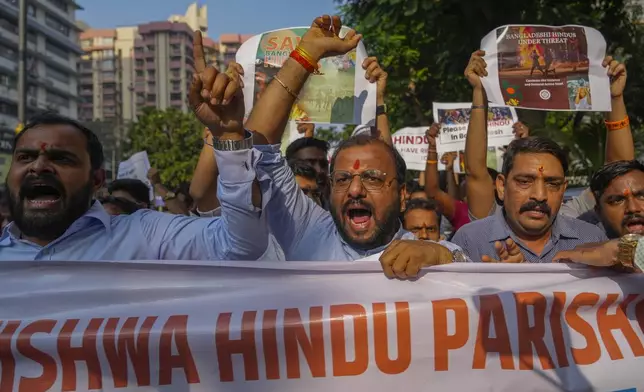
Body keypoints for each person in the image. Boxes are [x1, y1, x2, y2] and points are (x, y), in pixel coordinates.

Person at [0, 38, 268, 261]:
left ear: (96, 180)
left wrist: (230, 136)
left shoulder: (145, 237)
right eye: (25, 157)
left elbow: (240, 247)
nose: (39, 166)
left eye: (61, 158)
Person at [243, 15, 466, 276]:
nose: (355, 190)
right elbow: (259, 146)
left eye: (372, 178)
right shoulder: (307, 229)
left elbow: (470, 268)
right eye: (342, 179)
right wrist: (306, 55)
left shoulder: (429, 257)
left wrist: (442, 255)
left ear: (403, 196)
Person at [452, 137, 607, 263]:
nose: (540, 196)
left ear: (563, 189)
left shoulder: (592, 239)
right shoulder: (470, 241)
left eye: (552, 184)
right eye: (524, 182)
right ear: (501, 186)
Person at [590, 160, 644, 239]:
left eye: (642, 196)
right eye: (617, 201)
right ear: (599, 212)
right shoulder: (582, 247)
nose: (633, 208)